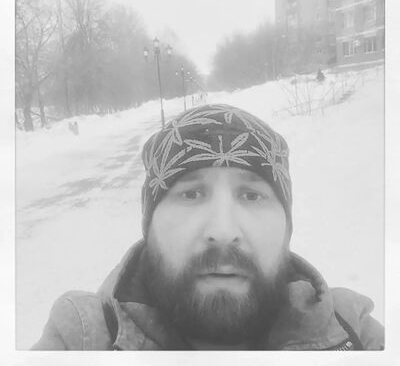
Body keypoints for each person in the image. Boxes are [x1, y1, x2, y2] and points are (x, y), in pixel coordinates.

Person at [32, 104, 384, 350]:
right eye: (191, 194)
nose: (223, 229)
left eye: (251, 195)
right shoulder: (83, 337)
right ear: (149, 224)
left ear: (286, 226)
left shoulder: (353, 332)